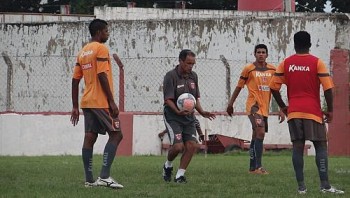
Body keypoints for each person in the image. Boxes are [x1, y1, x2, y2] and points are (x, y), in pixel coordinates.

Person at [269, 31, 344, 194]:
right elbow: (328, 88)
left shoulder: (285, 63)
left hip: (294, 112)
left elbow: (273, 87)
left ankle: (301, 187)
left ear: (294, 44)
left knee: (297, 147)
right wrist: (330, 111)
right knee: (321, 146)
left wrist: (283, 107)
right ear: (310, 44)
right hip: (313, 112)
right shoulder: (317, 62)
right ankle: (325, 185)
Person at [70, 19, 124, 189]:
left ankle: (89, 180)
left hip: (86, 101)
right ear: (99, 32)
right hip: (100, 101)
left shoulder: (83, 52)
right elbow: (102, 75)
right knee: (116, 135)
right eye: (106, 31)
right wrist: (111, 101)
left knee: (90, 137)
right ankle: (104, 176)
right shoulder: (101, 49)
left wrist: (74, 106)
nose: (108, 34)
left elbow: (75, 80)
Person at [226, 44, 285, 175]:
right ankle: (259, 167)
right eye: (258, 52)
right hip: (253, 106)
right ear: (254, 54)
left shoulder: (272, 69)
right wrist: (230, 104)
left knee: (255, 136)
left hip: (265, 108)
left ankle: (252, 168)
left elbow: (275, 91)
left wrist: (282, 108)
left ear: (267, 55)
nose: (261, 54)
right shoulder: (249, 69)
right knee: (261, 132)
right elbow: (238, 87)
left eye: (263, 52)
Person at [162, 49, 215, 183]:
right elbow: (168, 99)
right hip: (172, 116)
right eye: (188, 63)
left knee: (192, 145)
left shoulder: (193, 76)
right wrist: (177, 111)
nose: (190, 66)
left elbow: (194, 99)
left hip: (188, 118)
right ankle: (168, 165)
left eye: (192, 64)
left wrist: (202, 112)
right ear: (180, 61)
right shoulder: (170, 76)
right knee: (178, 147)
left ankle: (180, 175)